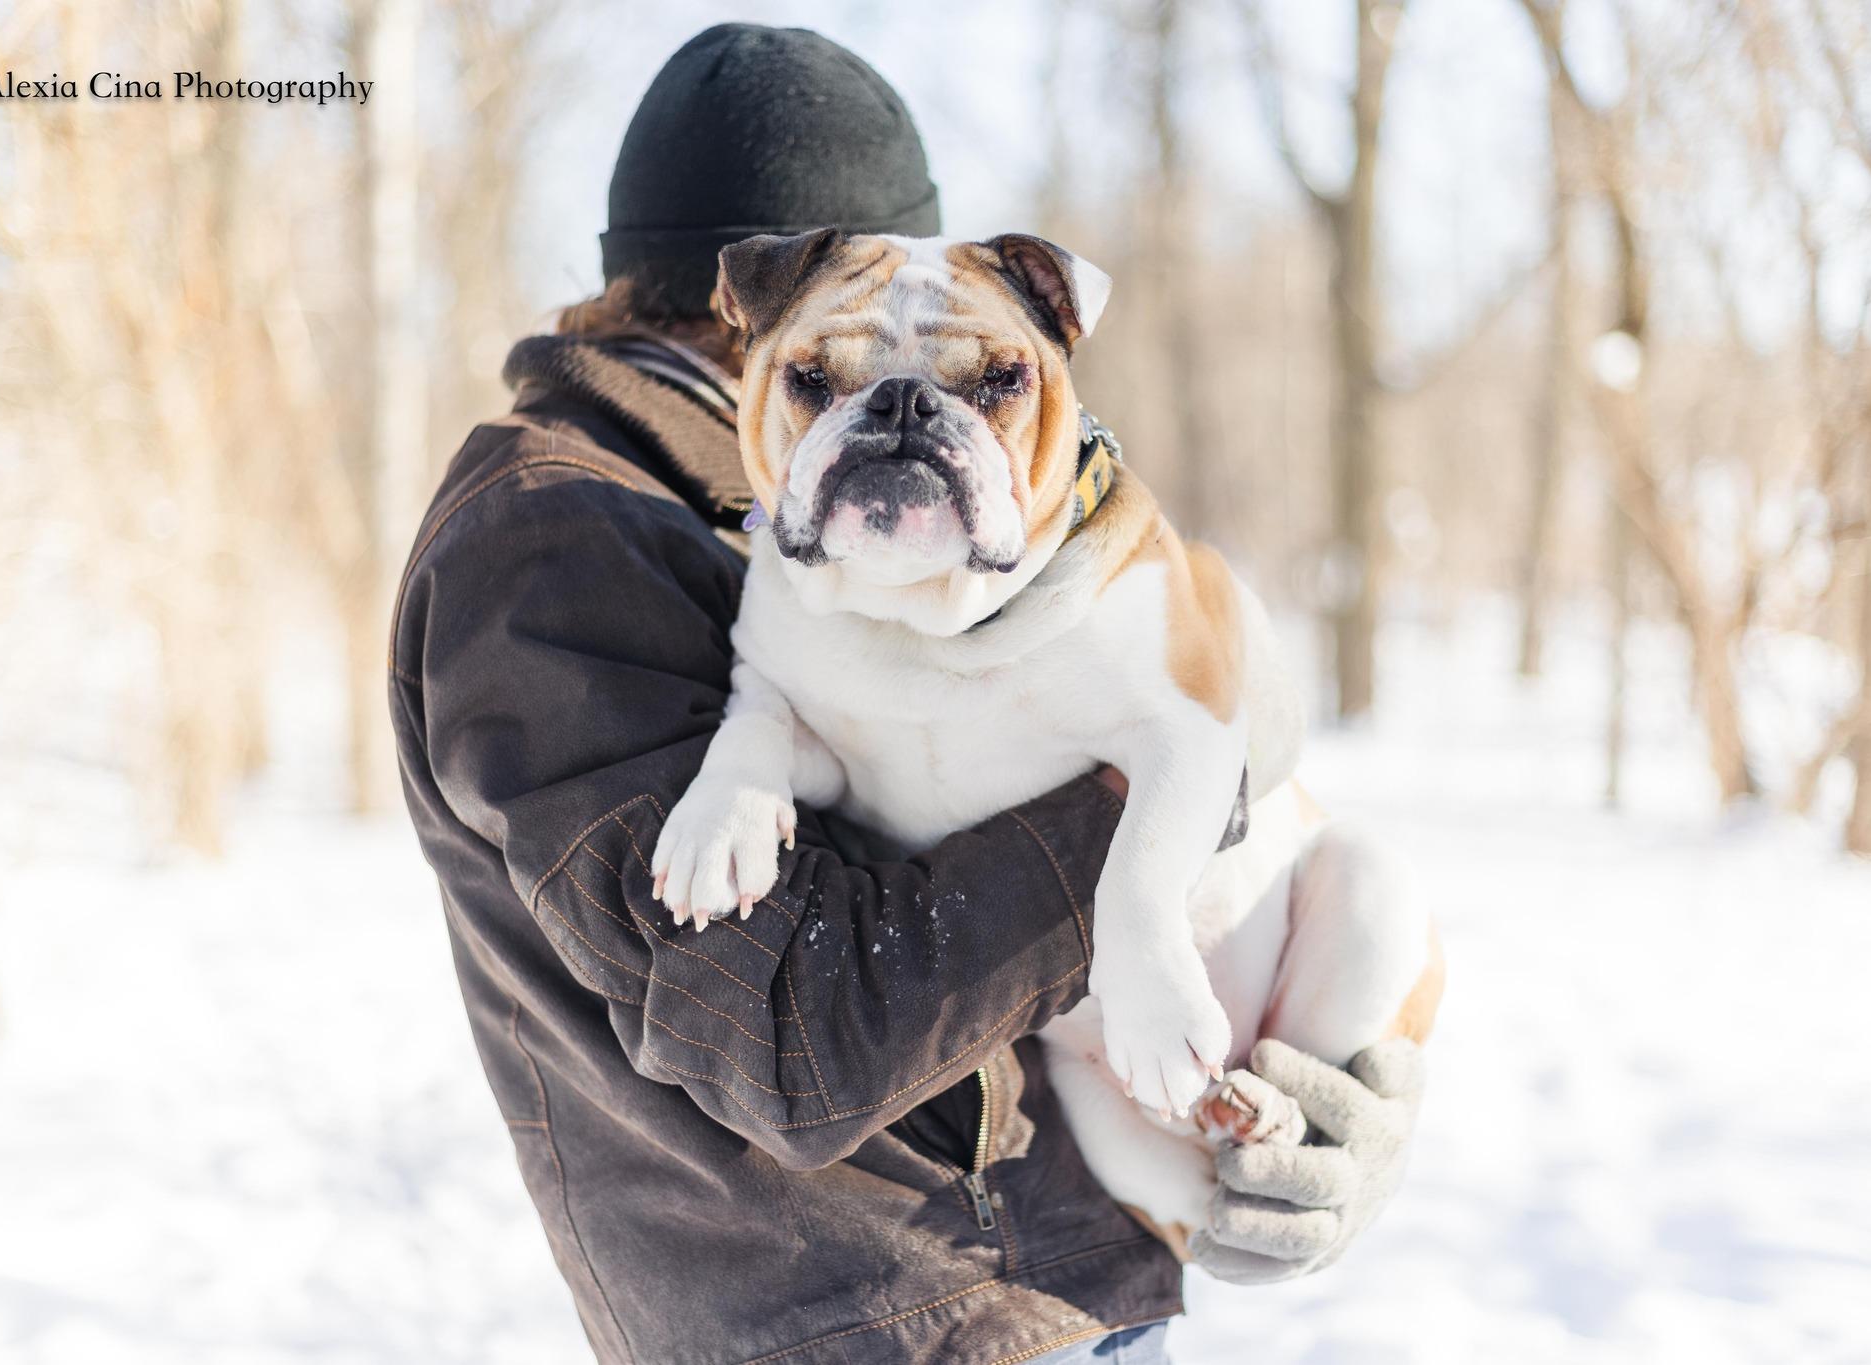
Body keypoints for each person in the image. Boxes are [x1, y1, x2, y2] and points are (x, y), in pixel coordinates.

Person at [389, 23, 1424, 1365]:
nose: (901, 407)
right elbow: (777, 1031)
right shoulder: (552, 536)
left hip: (1043, 1287)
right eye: (838, 364)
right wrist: (1165, 800)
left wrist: (1322, 1086)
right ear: (755, 303)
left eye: (972, 370)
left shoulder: (773, 505)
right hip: (868, 1325)